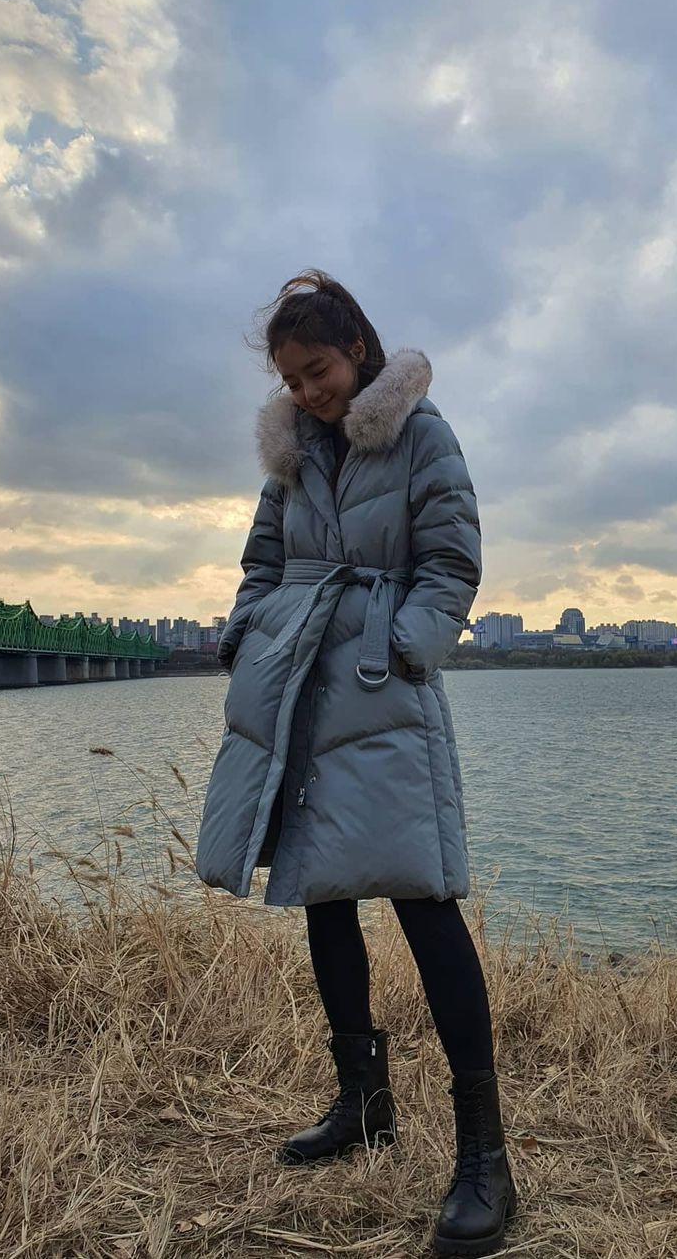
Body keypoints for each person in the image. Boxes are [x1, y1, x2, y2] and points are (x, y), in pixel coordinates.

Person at [196, 270, 516, 1256]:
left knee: (425, 901)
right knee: (323, 897)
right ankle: (362, 1103)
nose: (307, 391)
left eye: (318, 370)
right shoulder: (291, 454)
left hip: (381, 687)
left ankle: (485, 1158)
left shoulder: (422, 434)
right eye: (291, 379)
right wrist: (251, 632)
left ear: (358, 351)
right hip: (298, 686)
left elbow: (452, 562)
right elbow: (262, 561)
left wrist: (405, 648)